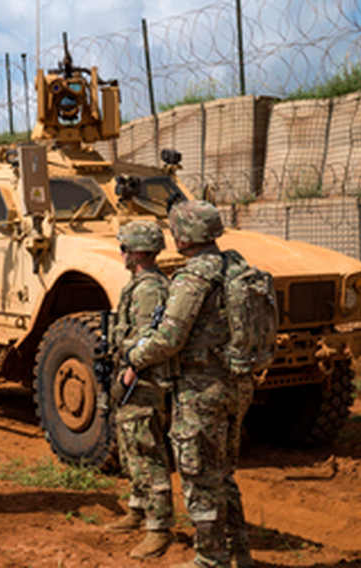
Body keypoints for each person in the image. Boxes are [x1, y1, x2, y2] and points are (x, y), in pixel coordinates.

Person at [122, 200, 254, 568]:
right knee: (223, 472)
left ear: (184, 236)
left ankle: (210, 560)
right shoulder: (236, 266)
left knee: (199, 475)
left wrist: (134, 357)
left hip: (202, 389)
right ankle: (239, 554)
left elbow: (169, 338)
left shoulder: (195, 276)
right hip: (237, 382)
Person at [103, 219, 176, 559]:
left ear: (137, 252)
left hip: (144, 381)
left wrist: (129, 373)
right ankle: (137, 508)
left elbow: (149, 340)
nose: (122, 254)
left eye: (124, 248)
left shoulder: (149, 289)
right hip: (133, 377)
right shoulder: (140, 284)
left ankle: (158, 527)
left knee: (148, 452)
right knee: (131, 445)